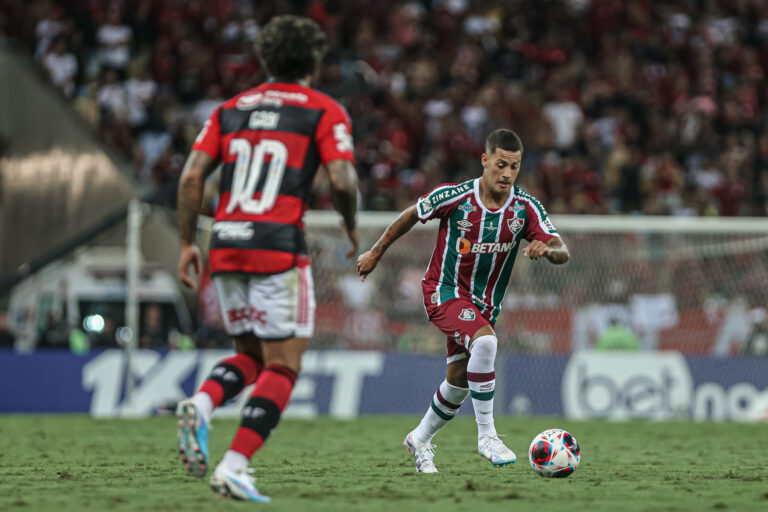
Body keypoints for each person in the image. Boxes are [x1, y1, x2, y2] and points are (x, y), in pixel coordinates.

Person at [174, 15, 359, 501]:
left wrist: (186, 243)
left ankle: (203, 401)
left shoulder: (230, 109)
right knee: (284, 366)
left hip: (226, 241)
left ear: (266, 59)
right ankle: (234, 465)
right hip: (277, 245)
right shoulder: (323, 109)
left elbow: (192, 179)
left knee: (249, 356)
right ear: (313, 62)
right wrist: (351, 223)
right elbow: (342, 180)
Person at [357, 129, 570, 473]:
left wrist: (548, 250)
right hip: (444, 292)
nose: (506, 174)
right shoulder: (456, 197)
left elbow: (562, 250)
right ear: (485, 160)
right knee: (485, 343)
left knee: (458, 383)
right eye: (501, 164)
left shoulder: (525, 207)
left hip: (483, 305)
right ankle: (487, 436)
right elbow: (412, 213)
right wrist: (375, 252)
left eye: (514, 167)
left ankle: (420, 439)